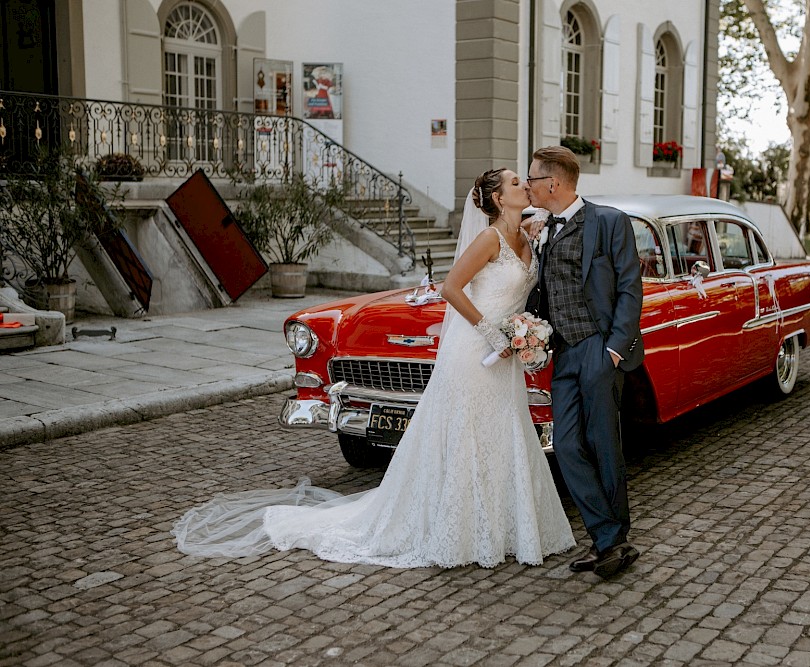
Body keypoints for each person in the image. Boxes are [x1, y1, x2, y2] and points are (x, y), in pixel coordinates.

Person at [172, 168, 575, 568]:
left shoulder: (527, 234)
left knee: (503, 432)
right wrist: (492, 333)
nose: (526, 184)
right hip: (475, 351)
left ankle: (503, 525)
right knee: (467, 434)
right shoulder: (488, 239)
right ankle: (460, 527)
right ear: (501, 198)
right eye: (517, 182)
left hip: (505, 357)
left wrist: (522, 330)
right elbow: (451, 287)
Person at [524, 146, 644, 579]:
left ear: (552, 183)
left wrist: (613, 348)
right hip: (563, 354)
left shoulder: (609, 221)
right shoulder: (541, 229)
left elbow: (630, 286)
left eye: (532, 178)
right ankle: (610, 538)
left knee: (603, 445)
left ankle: (611, 542)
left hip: (598, 347)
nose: (528, 184)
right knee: (569, 445)